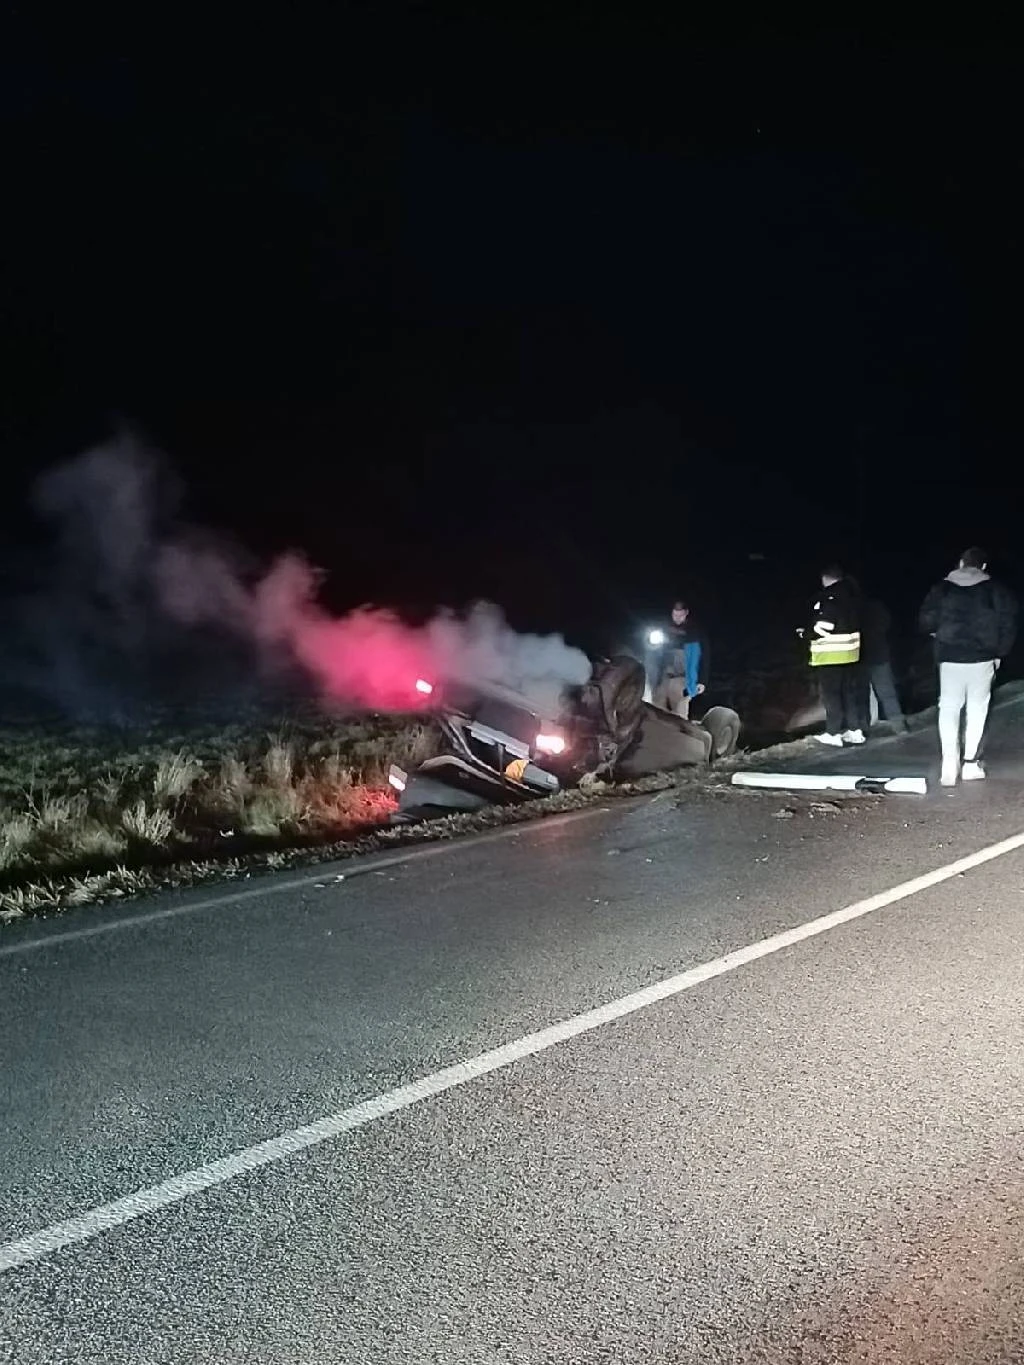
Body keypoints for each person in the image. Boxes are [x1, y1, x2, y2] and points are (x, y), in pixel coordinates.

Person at [918, 547, 1017, 785]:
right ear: (984, 566)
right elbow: (1008, 624)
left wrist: (938, 636)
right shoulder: (996, 591)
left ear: (961, 563)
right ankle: (971, 763)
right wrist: (1000, 653)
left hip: (949, 657)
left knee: (948, 707)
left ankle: (949, 764)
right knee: (977, 709)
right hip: (983, 658)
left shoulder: (942, 589)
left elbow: (925, 621)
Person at [802, 563, 868, 746]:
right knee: (849, 693)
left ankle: (833, 733)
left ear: (825, 578)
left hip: (830, 655)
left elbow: (824, 627)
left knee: (831, 695)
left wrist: (805, 633)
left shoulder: (829, 598)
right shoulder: (853, 597)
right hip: (851, 654)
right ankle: (855, 730)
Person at [644, 599, 709, 718]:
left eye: (681, 615)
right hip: (665, 677)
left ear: (686, 613)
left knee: (679, 711)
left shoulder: (694, 631)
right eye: (675, 614)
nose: (677, 618)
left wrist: (702, 681)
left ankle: (682, 727)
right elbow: (654, 656)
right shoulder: (665, 628)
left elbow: (705, 657)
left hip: (683, 679)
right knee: (657, 708)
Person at [861, 596, 908, 734]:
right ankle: (899, 725)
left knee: (860, 695)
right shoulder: (877, 606)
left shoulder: (851, 607)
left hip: (860, 656)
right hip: (879, 653)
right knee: (887, 692)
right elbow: (886, 624)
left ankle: (863, 728)